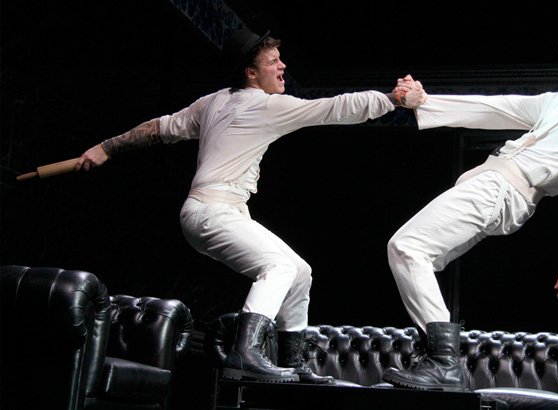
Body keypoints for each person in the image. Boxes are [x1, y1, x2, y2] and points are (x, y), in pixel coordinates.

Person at [75, 24, 405, 384]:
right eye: (273, 61)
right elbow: (335, 108)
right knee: (279, 266)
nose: (282, 66)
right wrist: (391, 99)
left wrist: (107, 147)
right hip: (212, 210)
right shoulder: (265, 106)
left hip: (217, 212)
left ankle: (292, 361)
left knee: (299, 271)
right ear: (251, 72)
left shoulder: (212, 102)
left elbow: (158, 129)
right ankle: (245, 354)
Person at [381, 14, 558, 391]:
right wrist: (425, 101)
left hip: (503, 190)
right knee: (417, 257)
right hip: (493, 186)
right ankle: (440, 360)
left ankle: (444, 363)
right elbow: (496, 107)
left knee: (407, 246)